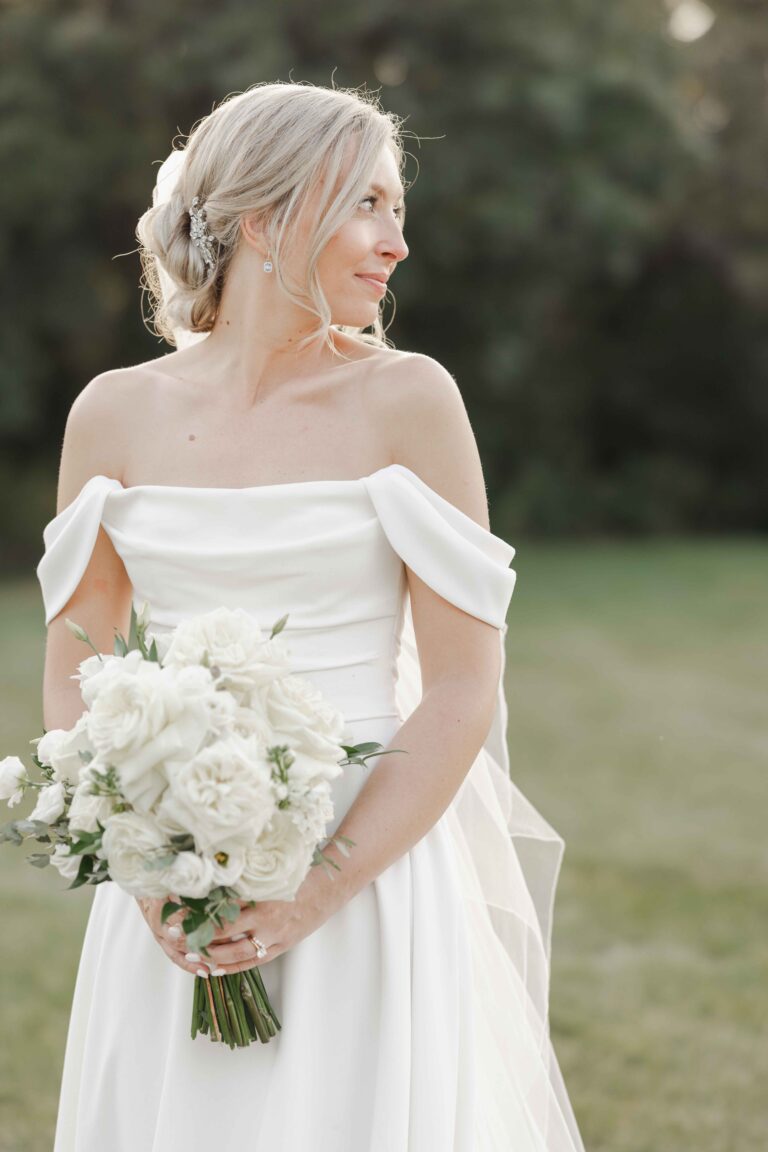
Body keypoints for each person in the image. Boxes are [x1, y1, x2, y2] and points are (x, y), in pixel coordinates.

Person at [37, 81, 587, 1151]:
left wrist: (312, 895)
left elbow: (465, 686)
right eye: (369, 205)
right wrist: (147, 865)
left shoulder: (409, 400)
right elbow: (78, 662)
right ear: (264, 218)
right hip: (170, 882)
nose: (397, 243)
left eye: (399, 210)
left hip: (361, 869)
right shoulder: (111, 413)